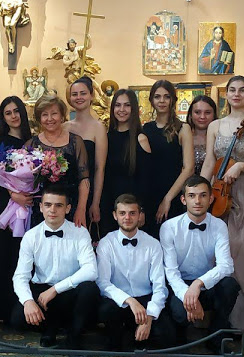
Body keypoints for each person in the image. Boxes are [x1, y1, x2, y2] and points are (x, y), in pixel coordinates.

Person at [201, 76, 244, 331]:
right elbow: (210, 162)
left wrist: (240, 166)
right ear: (226, 94)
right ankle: (219, 321)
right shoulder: (215, 125)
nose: (237, 94)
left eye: (242, 90)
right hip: (220, 193)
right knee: (219, 254)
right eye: (232, 90)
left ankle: (243, 321)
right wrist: (201, 191)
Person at [11, 186, 100, 349]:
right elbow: (20, 276)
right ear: (41, 207)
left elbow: (91, 270)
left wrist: (56, 289)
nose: (52, 210)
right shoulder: (31, 236)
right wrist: (28, 301)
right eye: (48, 205)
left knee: (89, 289)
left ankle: (74, 335)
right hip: (43, 293)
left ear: (67, 209)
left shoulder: (80, 233)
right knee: (17, 318)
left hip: (69, 292)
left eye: (58, 205)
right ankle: (50, 328)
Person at [160, 176, 239, 352]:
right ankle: (180, 337)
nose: (197, 201)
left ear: (211, 199)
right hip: (179, 284)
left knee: (230, 286)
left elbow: (226, 265)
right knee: (179, 313)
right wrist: (188, 295)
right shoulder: (169, 227)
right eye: (192, 196)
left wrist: (198, 284)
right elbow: (171, 272)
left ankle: (216, 338)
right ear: (183, 199)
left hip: (206, 283)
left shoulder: (219, 226)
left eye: (203, 195)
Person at [96, 194, 174, 351]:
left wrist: (149, 317)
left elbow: (159, 286)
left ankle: (136, 337)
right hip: (118, 301)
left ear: (140, 216)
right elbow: (103, 283)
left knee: (167, 337)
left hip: (145, 300)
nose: (127, 218)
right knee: (107, 313)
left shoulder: (153, 244)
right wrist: (130, 301)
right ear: (115, 215)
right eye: (122, 213)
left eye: (132, 213)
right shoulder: (106, 243)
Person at [26, 94, 90, 227]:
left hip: (70, 207)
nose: (49, 119)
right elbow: (19, 178)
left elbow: (84, 179)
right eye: (44, 115)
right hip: (41, 209)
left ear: (62, 116)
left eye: (54, 113)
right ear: (39, 118)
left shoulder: (75, 142)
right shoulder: (31, 144)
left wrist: (81, 209)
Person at [0, 96, 33, 322]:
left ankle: (27, 308)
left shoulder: (33, 140)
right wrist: (13, 194)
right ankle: (8, 311)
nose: (13, 116)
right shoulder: (1, 143)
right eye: (8, 113)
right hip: (11, 206)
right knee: (10, 255)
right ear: (3, 118)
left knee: (28, 255)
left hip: (30, 203)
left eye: (16, 111)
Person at [143, 80, 195, 238]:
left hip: (174, 194)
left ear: (173, 100)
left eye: (166, 96)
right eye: (157, 97)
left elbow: (189, 168)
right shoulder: (145, 129)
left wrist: (167, 199)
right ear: (151, 100)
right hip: (149, 194)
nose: (162, 101)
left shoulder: (183, 128)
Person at [100, 89, 152, 237]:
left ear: (133, 108)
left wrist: (141, 210)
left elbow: (146, 181)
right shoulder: (106, 137)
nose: (121, 109)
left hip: (132, 210)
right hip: (109, 205)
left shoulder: (140, 138)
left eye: (127, 105)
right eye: (117, 105)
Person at [65, 76, 107, 238]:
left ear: (91, 95)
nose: (79, 97)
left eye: (83, 93)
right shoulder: (64, 127)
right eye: (74, 94)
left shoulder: (98, 127)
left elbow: (99, 168)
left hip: (89, 191)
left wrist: (95, 202)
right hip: (66, 190)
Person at [187, 95, 217, 176]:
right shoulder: (183, 137)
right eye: (197, 112)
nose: (202, 117)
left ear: (214, 115)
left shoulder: (219, 139)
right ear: (190, 114)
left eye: (207, 112)